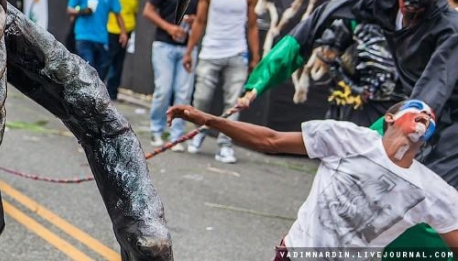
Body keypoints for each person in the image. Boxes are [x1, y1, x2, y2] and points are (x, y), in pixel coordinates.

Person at [240, 0, 458, 187]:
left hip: (445, 117)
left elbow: (436, 84)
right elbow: (323, 16)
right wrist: (259, 82)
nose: (411, 1)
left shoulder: (449, 29)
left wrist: (407, 125)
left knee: (432, 195)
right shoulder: (385, 3)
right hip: (414, 109)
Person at [166, 100, 458, 256]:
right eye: (417, 108)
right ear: (390, 119)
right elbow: (271, 141)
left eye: (431, 116)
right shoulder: (348, 138)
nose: (426, 114)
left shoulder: (431, 189)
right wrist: (209, 120)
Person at [184, 0, 259, 163]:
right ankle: (198, 134)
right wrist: (189, 50)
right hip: (210, 52)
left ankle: (225, 145)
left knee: (233, 102)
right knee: (201, 98)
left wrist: (256, 56)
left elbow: (253, 26)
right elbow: (199, 22)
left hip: (237, 53)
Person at [143, 0, 199, 149]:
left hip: (187, 48)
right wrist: (169, 28)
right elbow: (148, 11)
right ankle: (156, 130)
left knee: (183, 94)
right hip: (164, 45)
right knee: (163, 90)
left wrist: (196, 20)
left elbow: (203, 19)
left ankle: (177, 136)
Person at [67, 0, 128, 78]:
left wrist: (123, 32)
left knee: (100, 71)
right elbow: (70, 9)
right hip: (83, 35)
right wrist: (81, 11)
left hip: (101, 37)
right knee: (88, 66)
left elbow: (118, 13)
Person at [105, 0, 139, 100]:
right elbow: (135, 10)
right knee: (119, 62)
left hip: (112, 28)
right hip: (128, 28)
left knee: (106, 61)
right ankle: (112, 92)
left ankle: (101, 90)